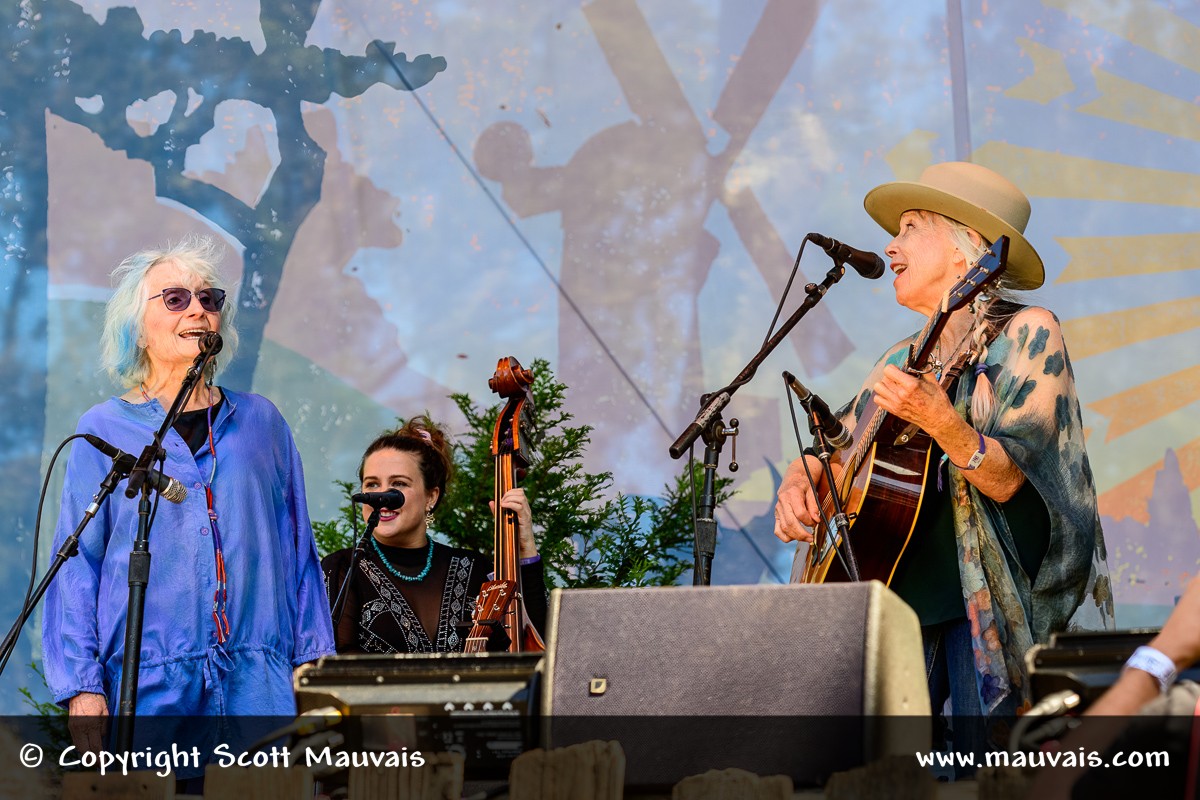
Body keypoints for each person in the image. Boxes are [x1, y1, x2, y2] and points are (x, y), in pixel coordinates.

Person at [773, 162, 1113, 749]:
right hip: (892, 614)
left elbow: (1018, 482)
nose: (890, 246)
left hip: (977, 613)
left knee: (981, 777)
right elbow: (839, 452)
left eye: (909, 228)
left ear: (965, 250)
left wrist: (945, 424)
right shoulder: (902, 356)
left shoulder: (1027, 332)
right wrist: (802, 474)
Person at [41, 236, 335, 770]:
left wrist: (312, 662)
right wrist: (84, 686)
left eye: (210, 299)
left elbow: (299, 550)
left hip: (258, 685)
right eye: (176, 299)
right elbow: (76, 565)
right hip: (147, 685)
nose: (198, 309)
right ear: (137, 325)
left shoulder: (261, 423)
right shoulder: (102, 430)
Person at [322, 417, 547, 653]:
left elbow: (537, 644)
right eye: (372, 485)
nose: (382, 497)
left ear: (431, 496)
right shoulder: (341, 569)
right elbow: (337, 668)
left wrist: (525, 548)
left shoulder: (476, 569)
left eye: (398, 484)